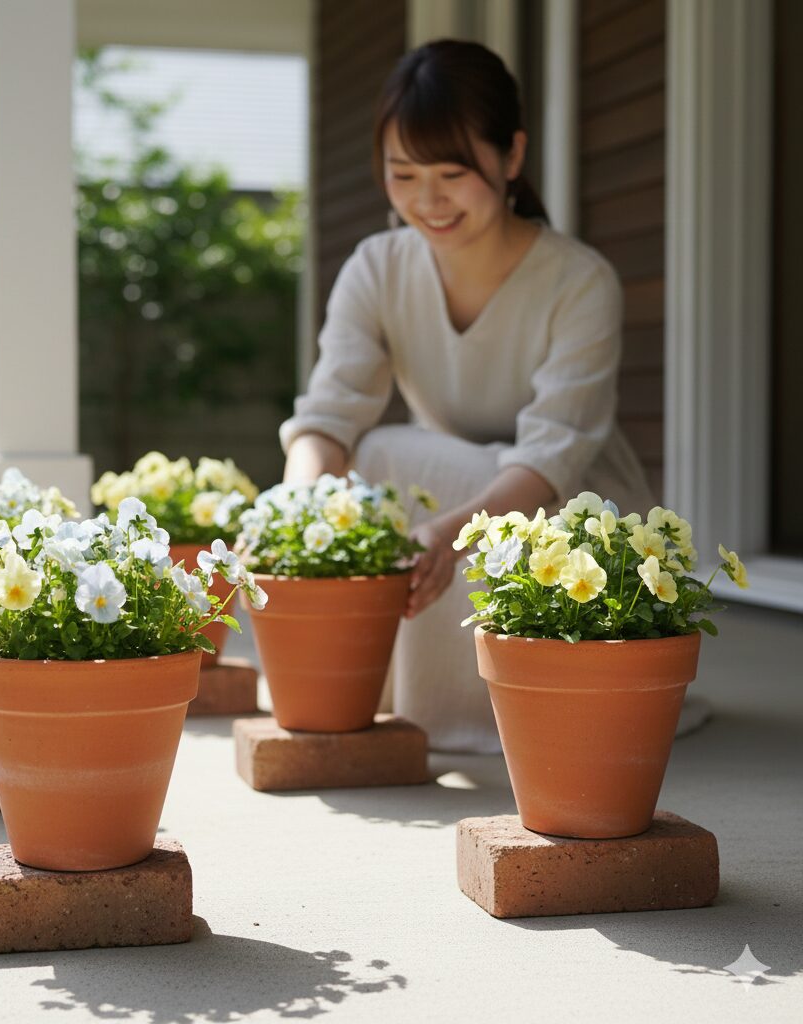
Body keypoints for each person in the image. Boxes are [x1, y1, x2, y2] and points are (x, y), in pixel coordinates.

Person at [279, 39, 654, 753]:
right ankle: (375, 689)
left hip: (568, 506)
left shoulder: (579, 281)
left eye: (452, 172)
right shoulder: (376, 267)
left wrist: (449, 534)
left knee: (401, 455)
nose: (428, 200)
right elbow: (327, 417)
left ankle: (476, 711)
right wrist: (298, 513)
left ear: (511, 157)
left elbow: (553, 458)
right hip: (456, 502)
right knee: (370, 458)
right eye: (404, 173)